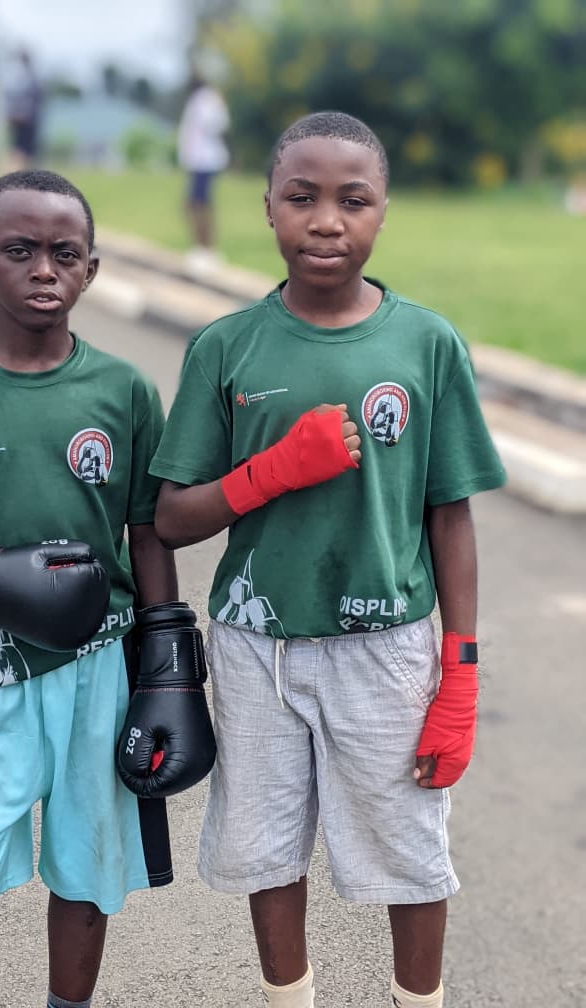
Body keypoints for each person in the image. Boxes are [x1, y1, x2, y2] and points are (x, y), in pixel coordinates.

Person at [149, 111, 507, 1007]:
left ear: (383, 213)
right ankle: (288, 999)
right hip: (255, 648)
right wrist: (268, 473)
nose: (325, 221)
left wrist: (459, 673)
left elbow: (449, 512)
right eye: (301, 198)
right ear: (267, 207)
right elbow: (169, 518)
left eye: (353, 200)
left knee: (408, 850)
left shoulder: (425, 343)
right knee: (266, 847)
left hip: (386, 648)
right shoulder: (227, 348)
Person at [0, 168, 212, 1008]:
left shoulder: (123, 389)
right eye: (20, 251)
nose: (43, 270)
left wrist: (168, 664)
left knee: (88, 868)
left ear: (92, 269)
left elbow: (147, 527)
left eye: (65, 253)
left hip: (98, 667)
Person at [176, 72, 230, 272]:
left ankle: (207, 251)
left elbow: (217, 124)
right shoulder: (199, 99)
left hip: (206, 160)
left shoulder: (207, 98)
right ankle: (202, 249)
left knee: (199, 204)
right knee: (196, 203)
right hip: (198, 161)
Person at [4, 48, 43, 169]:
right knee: (20, 150)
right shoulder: (21, 78)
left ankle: (23, 174)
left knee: (25, 152)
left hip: (27, 121)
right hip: (21, 121)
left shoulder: (29, 78)